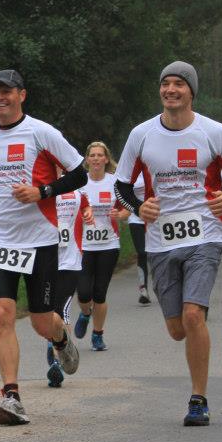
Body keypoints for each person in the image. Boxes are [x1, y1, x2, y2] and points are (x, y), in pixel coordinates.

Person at [115, 61, 222, 426]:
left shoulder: (214, 132)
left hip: (205, 234)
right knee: (177, 329)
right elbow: (122, 186)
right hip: (161, 240)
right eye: (166, 83)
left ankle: (198, 399)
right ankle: (192, 328)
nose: (170, 89)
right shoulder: (141, 134)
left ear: (191, 91)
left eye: (179, 84)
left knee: (193, 315)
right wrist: (138, 207)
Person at [0, 69, 84, 425]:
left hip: (40, 239)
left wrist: (42, 192)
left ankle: (60, 338)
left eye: (6, 92)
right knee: (2, 313)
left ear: (21, 95)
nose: (0, 98)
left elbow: (79, 173)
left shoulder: (42, 133)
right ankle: (11, 396)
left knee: (42, 322)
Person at [73, 141, 130, 352]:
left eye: (100, 155)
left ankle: (97, 335)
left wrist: (120, 215)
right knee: (83, 293)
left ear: (106, 159)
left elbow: (127, 208)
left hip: (108, 244)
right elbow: (68, 207)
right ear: (87, 160)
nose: (96, 158)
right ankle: (85, 313)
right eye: (92, 155)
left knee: (99, 294)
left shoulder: (115, 182)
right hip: (83, 246)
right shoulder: (79, 182)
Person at [45, 182, 92, 387]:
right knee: (47, 313)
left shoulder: (75, 190)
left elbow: (86, 206)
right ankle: (54, 342)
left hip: (70, 262)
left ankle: (58, 361)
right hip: (45, 263)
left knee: (61, 311)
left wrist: (88, 213)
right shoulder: (38, 189)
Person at [127, 173, 152, 303]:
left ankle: (163, 285)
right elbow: (123, 192)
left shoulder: (153, 167)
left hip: (155, 218)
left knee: (158, 253)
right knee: (142, 252)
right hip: (136, 218)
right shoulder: (131, 171)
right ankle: (143, 289)